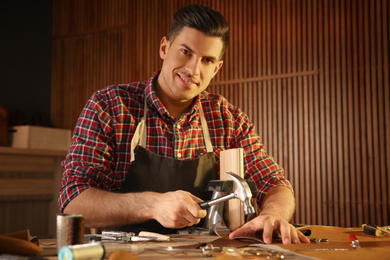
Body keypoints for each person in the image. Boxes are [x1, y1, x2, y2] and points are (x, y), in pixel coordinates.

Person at [59, 4, 309, 244]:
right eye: (186, 52)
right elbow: (73, 200)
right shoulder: (110, 106)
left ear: (217, 68)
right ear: (164, 48)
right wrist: (153, 205)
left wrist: (273, 215)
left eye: (207, 60)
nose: (193, 69)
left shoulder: (228, 119)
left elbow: (275, 183)